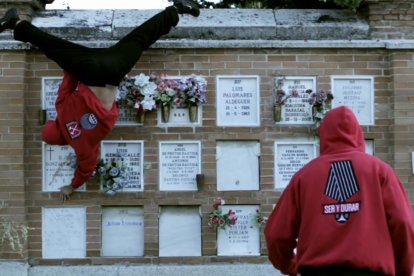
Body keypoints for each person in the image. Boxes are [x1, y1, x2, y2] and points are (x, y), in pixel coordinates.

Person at [0, 1, 200, 200]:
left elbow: (86, 170)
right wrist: (71, 59)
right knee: (54, 46)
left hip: (112, 71)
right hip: (88, 69)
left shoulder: (82, 146)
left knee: (140, 39)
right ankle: (16, 23)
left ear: (62, 141)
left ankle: (176, 10)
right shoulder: (61, 110)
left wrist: (72, 186)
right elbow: (68, 81)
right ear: (54, 125)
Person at [264, 106, 414, 276]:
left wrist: (289, 266)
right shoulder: (380, 171)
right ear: (358, 134)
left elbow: (276, 234)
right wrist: (403, 271)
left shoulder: (304, 177)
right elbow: (403, 222)